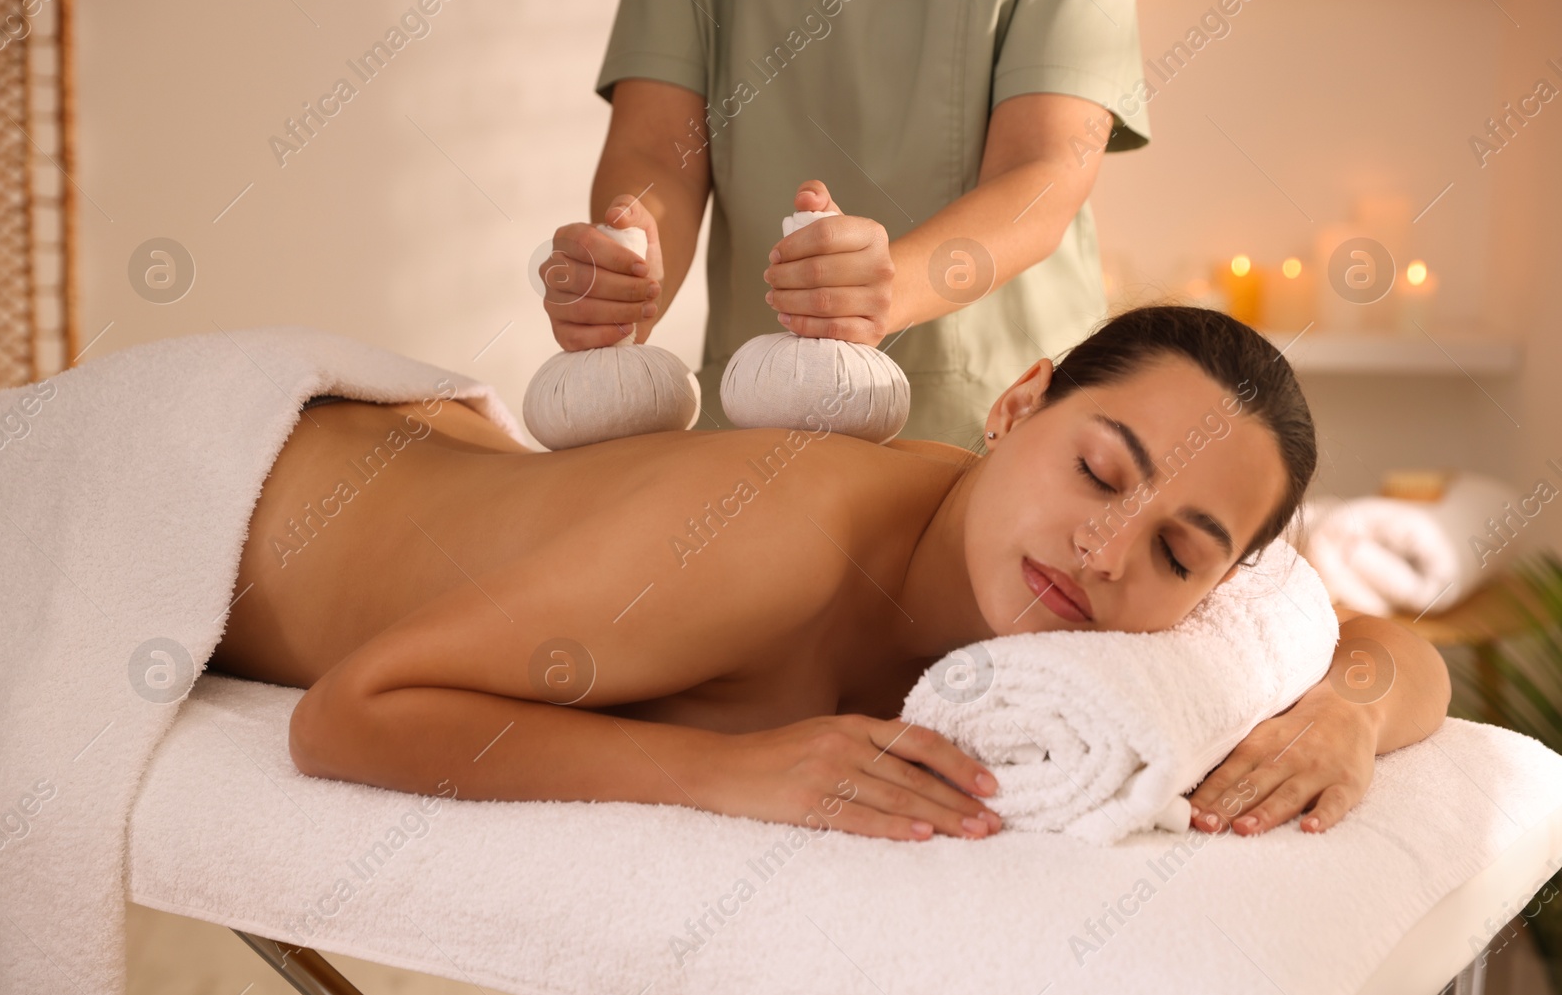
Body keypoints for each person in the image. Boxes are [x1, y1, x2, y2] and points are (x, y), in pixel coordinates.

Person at [210, 306, 1450, 842]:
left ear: (1217, 588)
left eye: (1180, 551)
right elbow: (346, 716)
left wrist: (1343, 712)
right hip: (229, 470)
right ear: (1018, 404)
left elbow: (1392, 652)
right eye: (1096, 469)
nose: (1109, 550)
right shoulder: (773, 531)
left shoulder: (1122, 622)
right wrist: (721, 771)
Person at [537, 0, 1151, 445]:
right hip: (766, 422)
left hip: (996, 410)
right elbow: (656, 150)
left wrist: (882, 289)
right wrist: (630, 265)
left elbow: (1043, 167)